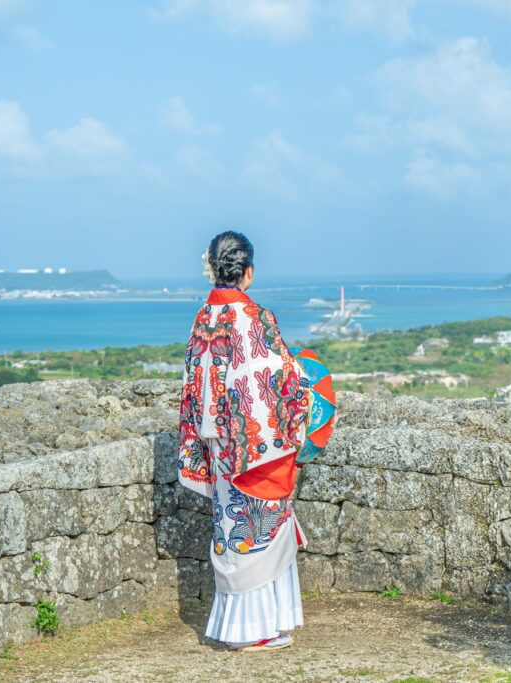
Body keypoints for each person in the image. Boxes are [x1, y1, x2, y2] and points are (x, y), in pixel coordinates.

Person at [176, 231, 310, 652]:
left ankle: (244, 625)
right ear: (248, 272)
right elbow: (282, 378)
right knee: (259, 529)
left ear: (214, 269)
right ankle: (257, 628)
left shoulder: (203, 318)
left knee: (231, 528)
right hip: (257, 445)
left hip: (219, 445)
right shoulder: (256, 318)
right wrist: (308, 389)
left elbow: (194, 384)